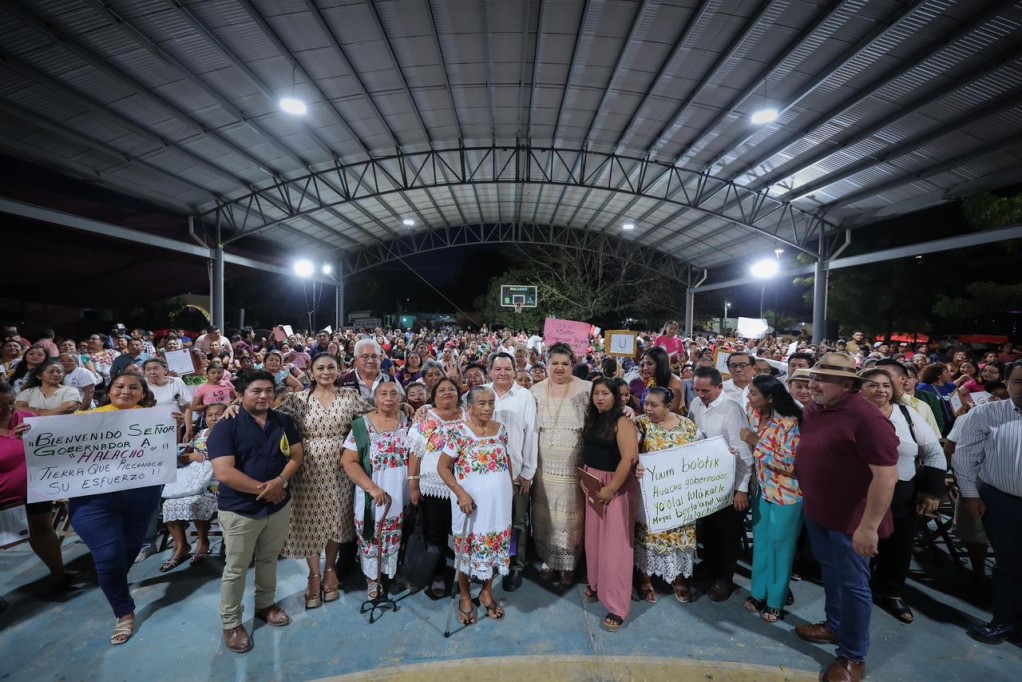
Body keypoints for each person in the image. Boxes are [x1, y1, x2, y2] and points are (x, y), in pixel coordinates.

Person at [794, 353, 899, 682]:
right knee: (831, 573)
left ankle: (853, 656)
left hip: (853, 522)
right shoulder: (815, 408)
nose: (812, 385)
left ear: (847, 384)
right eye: (812, 377)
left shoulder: (867, 418)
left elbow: (886, 476)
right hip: (819, 512)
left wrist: (868, 527)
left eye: (821, 379)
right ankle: (835, 625)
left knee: (854, 586)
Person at [66, 374, 171, 644]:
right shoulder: (83, 419)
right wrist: (30, 436)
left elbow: (166, 455)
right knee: (110, 555)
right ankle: (124, 611)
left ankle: (114, 586)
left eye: (133, 387)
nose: (126, 391)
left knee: (127, 551)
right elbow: (57, 452)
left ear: (142, 393)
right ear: (109, 390)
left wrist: (174, 432)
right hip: (93, 500)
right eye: (119, 386)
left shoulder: (155, 419)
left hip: (141, 497)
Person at [208, 370, 305, 654]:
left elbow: (296, 455)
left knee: (268, 560)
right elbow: (224, 472)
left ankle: (265, 604)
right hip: (241, 510)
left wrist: (280, 482)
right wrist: (265, 489)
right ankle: (232, 622)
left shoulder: (282, 420)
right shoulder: (227, 426)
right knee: (236, 568)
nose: (264, 396)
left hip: (278, 506)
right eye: (256, 391)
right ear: (240, 395)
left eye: (268, 391)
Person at [269, 354, 372, 603]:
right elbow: (266, 415)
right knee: (309, 520)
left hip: (340, 468)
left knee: (337, 519)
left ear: (339, 371)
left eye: (331, 368)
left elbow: (376, 415)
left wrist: (414, 408)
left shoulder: (350, 397)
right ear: (311, 371)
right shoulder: (297, 399)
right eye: (320, 368)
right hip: (306, 468)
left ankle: (330, 569)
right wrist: (233, 408)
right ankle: (314, 574)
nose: (326, 372)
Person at [857, 369, 946, 624]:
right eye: (873, 385)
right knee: (858, 546)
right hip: (860, 494)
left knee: (898, 547)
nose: (881, 390)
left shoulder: (907, 414)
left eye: (886, 385)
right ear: (859, 389)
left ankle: (890, 592)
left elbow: (934, 453)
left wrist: (931, 491)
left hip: (901, 495)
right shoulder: (851, 415)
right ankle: (857, 592)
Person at [953, 360, 1022, 645]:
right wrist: (970, 495)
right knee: (1009, 564)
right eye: (1019, 381)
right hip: (1004, 501)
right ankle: (1005, 621)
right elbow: (965, 457)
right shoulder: (987, 414)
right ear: (1005, 384)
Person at [438, 386, 513, 625]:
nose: (488, 407)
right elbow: (443, 467)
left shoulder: (500, 430)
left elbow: (506, 459)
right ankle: (464, 596)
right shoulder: (459, 433)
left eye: (491, 403)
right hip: (468, 504)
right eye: (482, 403)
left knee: (492, 549)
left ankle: (486, 592)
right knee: (465, 551)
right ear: (469, 408)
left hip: (498, 504)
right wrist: (461, 494)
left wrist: (507, 488)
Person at [0, 383, 77, 597]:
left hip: (35, 489)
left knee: (42, 528)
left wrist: (36, 436)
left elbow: (58, 440)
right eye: (0, 406)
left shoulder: (26, 418)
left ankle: (59, 574)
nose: (7, 410)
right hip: (4, 498)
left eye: (10, 403)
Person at [739, 375, 802, 623]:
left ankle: (776, 600)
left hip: (787, 493)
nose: (749, 397)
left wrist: (757, 443)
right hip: (761, 490)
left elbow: (791, 464)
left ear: (771, 397)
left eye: (754, 393)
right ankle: (758, 592)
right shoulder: (754, 415)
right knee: (762, 545)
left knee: (781, 549)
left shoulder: (791, 423)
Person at [688, 367, 754, 601]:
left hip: (730, 481)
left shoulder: (732, 410)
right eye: (697, 389)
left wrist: (741, 489)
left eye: (705, 390)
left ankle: (726, 578)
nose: (700, 394)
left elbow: (745, 453)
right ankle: (710, 567)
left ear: (719, 387)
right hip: (706, 480)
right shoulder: (695, 404)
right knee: (709, 529)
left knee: (729, 534)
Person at [341, 382, 410, 599]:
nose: (389, 398)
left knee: (396, 533)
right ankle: (373, 579)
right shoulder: (362, 426)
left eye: (394, 393)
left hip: (400, 493)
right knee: (371, 536)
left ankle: (390, 571)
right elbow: (349, 461)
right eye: (383, 394)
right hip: (373, 493)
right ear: (375, 398)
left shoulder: (407, 420)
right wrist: (372, 488)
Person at [580, 377, 638, 632]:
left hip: (614, 486)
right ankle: (596, 584)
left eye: (605, 393)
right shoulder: (593, 418)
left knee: (616, 547)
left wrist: (611, 488)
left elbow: (629, 459)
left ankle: (617, 606)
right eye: (596, 393)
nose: (600, 398)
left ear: (616, 396)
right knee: (594, 541)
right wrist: (585, 477)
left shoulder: (623, 421)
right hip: (593, 484)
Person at [530, 343, 592, 585]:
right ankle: (548, 558)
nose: (559, 368)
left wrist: (627, 410)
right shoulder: (534, 390)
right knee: (545, 513)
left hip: (573, 467)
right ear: (546, 365)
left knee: (570, 515)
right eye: (554, 363)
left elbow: (604, 414)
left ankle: (569, 563)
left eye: (565, 364)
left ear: (572, 365)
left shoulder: (587, 389)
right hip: (543, 465)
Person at [634, 386, 700, 604]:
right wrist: (635, 465)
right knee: (648, 534)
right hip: (651, 494)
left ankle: (679, 578)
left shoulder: (688, 426)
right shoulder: (641, 423)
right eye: (646, 404)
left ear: (668, 406)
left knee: (680, 533)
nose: (648, 409)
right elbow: (628, 452)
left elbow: (702, 455)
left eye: (654, 405)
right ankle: (645, 577)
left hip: (680, 494)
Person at [484, 352, 538, 592]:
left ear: (515, 371)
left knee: (517, 520)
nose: (503, 373)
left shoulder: (524, 396)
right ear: (490, 372)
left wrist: (527, 471)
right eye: (498, 369)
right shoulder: (480, 394)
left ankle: (515, 566)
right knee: (489, 518)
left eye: (507, 369)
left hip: (515, 470)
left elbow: (531, 434)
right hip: (484, 470)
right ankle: (491, 562)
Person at [408, 377, 466, 596]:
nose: (447, 393)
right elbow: (415, 453)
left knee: (464, 531)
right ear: (434, 396)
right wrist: (413, 485)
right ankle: (438, 573)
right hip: (433, 485)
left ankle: (466, 573)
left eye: (452, 389)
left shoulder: (468, 415)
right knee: (436, 532)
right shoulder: (427, 417)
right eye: (442, 390)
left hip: (465, 484)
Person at [159, 403, 224, 572]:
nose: (214, 418)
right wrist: (192, 456)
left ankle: (203, 542)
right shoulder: (199, 434)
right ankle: (182, 545)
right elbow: (182, 458)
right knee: (169, 504)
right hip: (194, 478)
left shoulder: (231, 434)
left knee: (198, 501)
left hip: (216, 481)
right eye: (210, 415)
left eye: (218, 414)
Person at [337, 339, 404, 404]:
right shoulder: (343, 381)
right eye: (365, 357)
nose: (370, 361)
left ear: (380, 359)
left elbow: (401, 400)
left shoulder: (389, 379)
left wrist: (403, 405)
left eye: (374, 356)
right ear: (356, 360)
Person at [15, 359, 81, 416]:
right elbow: (20, 408)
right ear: (39, 376)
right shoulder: (28, 392)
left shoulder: (70, 390)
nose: (56, 374)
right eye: (51, 372)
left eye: (59, 372)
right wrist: (55, 412)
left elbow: (69, 407)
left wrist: (37, 412)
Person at [635, 347, 685, 414]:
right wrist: (629, 397)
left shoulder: (674, 382)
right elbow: (644, 405)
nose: (645, 368)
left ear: (660, 364)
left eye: (650, 364)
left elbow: (669, 412)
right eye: (644, 364)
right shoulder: (651, 380)